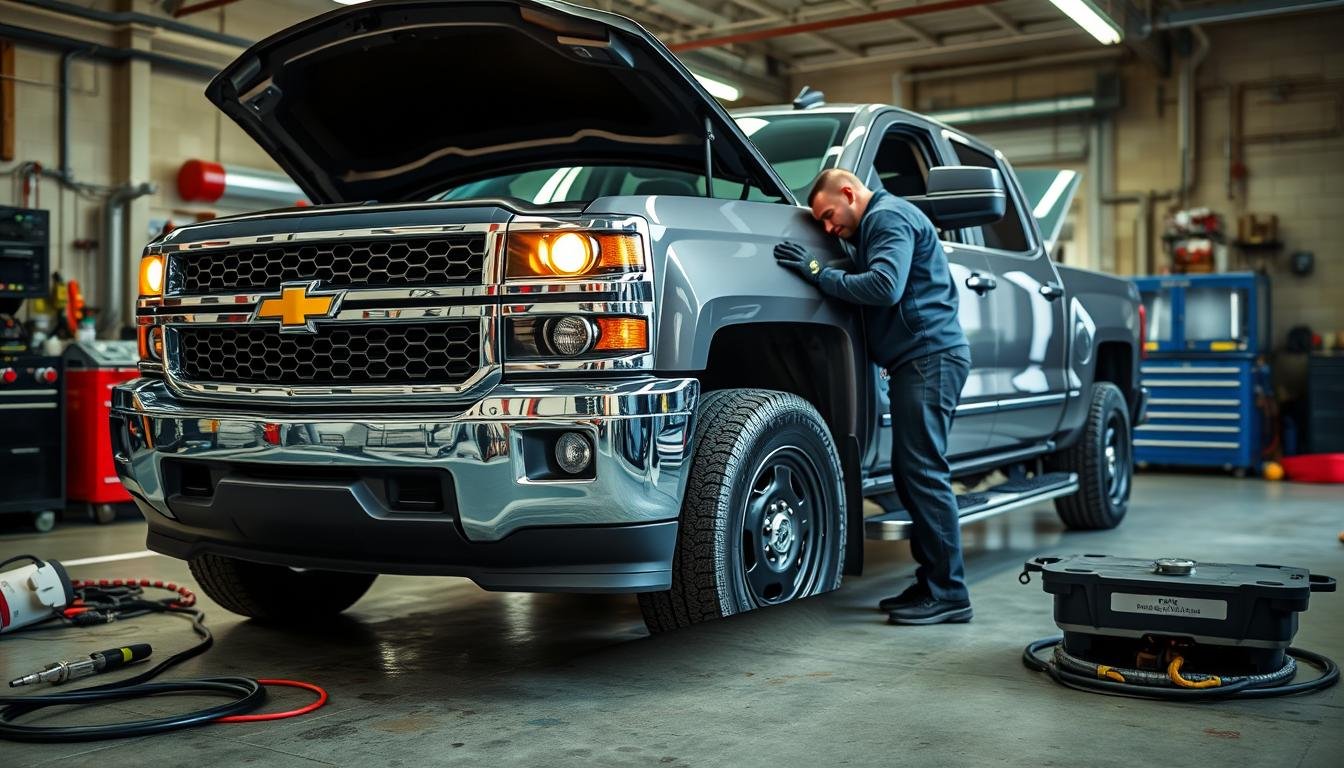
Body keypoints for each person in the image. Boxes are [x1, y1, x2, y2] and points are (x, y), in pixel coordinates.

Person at [774, 168, 973, 625]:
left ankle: (950, 593)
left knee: (923, 473)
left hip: (930, 359)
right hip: (920, 361)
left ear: (848, 192)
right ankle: (934, 582)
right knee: (913, 474)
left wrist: (818, 271)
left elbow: (885, 286)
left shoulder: (888, 218)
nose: (827, 227)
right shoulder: (879, 223)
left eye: (828, 215)